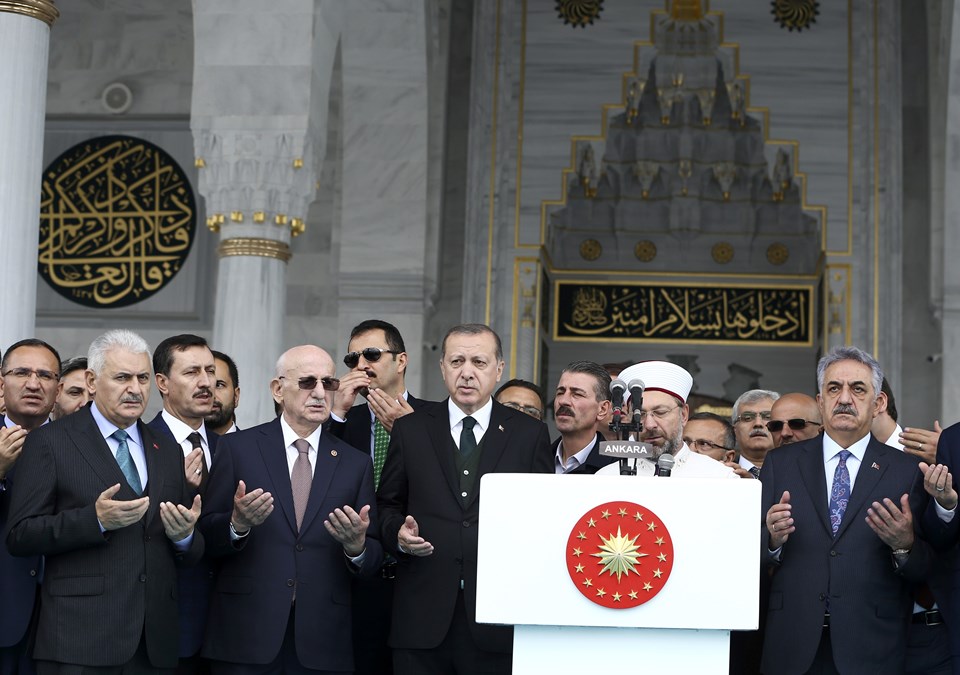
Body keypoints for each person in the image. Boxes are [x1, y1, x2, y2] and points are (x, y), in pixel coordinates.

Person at [6, 329, 203, 673]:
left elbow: (186, 548)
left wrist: (185, 535)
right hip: (79, 640)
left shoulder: (167, 448)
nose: (135, 388)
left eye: (142, 378)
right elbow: (21, 534)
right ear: (93, 382)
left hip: (152, 642)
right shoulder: (51, 442)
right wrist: (94, 520)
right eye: (122, 377)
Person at [377, 324, 552, 674]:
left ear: (498, 369)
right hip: (421, 617)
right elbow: (387, 504)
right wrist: (396, 532)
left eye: (479, 362)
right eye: (457, 361)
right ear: (442, 367)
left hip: (497, 616)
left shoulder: (528, 434)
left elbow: (543, 518)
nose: (467, 372)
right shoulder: (412, 429)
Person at [200, 345, 383, 674]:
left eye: (328, 383)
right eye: (307, 382)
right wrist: (236, 525)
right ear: (277, 389)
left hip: (323, 640)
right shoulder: (237, 449)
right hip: (246, 634)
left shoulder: (355, 464)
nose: (319, 392)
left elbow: (374, 554)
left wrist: (357, 548)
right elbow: (205, 536)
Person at [761, 346, 930, 675]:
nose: (844, 398)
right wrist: (771, 541)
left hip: (872, 646)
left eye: (858, 388)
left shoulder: (907, 470)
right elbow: (748, 556)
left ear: (878, 403)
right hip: (792, 642)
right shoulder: (780, 463)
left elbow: (925, 568)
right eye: (834, 388)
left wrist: (904, 544)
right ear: (821, 401)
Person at [329, 320, 425, 675]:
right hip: (354, 575)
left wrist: (410, 433)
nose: (361, 365)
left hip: (415, 576)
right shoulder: (341, 421)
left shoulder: (430, 419)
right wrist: (337, 412)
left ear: (401, 361)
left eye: (371, 354)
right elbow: (318, 477)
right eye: (352, 358)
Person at [148, 334, 219, 674]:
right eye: (192, 372)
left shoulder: (234, 447)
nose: (206, 382)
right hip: (165, 629)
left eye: (210, 371)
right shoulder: (139, 444)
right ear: (162, 382)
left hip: (231, 630)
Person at [0, 339, 62, 675]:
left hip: (63, 621)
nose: (34, 383)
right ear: (1, 383)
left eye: (45, 375)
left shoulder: (83, 446)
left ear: (58, 388)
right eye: (22, 373)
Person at [597, 361, 735, 478]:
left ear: (684, 415)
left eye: (660, 412)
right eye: (641, 414)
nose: (650, 425)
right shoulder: (607, 477)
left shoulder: (720, 477)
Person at [552, 361, 615, 474]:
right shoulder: (536, 458)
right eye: (560, 392)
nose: (563, 401)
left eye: (577, 394)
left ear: (602, 409)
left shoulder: (616, 469)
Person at [732, 389, 779, 477]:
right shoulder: (722, 473)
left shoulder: (800, 472)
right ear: (735, 430)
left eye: (768, 417)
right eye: (748, 418)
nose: (758, 423)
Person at [206, 351, 240, 435]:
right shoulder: (170, 446)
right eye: (203, 386)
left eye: (219, 385)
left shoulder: (253, 447)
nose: (211, 394)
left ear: (236, 396)